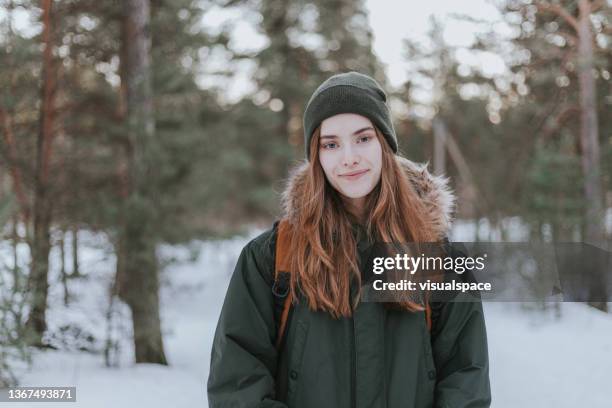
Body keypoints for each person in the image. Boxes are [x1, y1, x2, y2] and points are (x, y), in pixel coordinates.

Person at [207, 72, 491, 408]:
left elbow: (465, 382)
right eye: (331, 144)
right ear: (317, 156)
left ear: (385, 144)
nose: (348, 158)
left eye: (363, 138)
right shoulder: (272, 257)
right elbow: (237, 384)